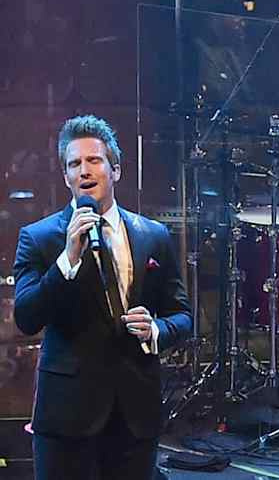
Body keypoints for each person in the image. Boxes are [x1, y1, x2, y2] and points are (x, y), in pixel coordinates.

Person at [14, 115, 192, 480]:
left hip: (135, 416)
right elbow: (27, 317)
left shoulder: (153, 234)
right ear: (66, 176)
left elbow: (182, 314)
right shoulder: (39, 238)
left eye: (94, 160)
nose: (84, 170)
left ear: (116, 170)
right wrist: (67, 260)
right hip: (67, 418)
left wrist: (155, 330)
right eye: (74, 164)